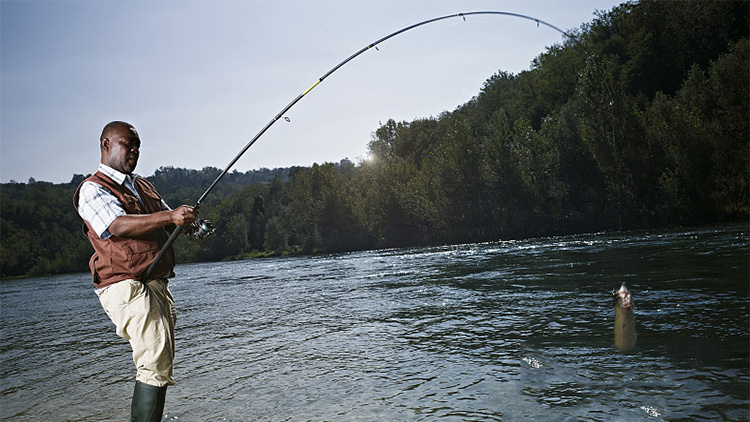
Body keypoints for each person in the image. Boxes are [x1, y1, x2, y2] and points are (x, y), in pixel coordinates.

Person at [74, 121, 197, 421]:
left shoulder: (142, 185)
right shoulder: (92, 188)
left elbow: (167, 221)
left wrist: (188, 225)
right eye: (128, 144)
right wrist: (170, 214)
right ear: (106, 145)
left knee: (160, 361)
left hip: (155, 282)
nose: (135, 151)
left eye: (138, 145)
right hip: (125, 286)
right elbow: (117, 225)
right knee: (154, 362)